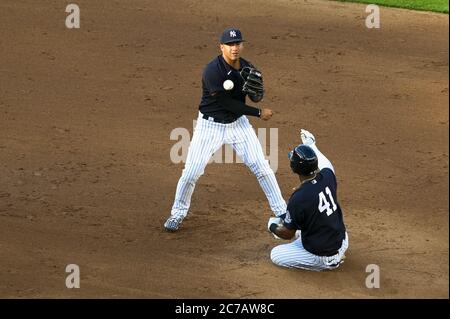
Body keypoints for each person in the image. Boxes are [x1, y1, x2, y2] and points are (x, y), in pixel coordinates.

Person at [164, 28, 287, 231]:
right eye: (230, 44)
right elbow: (225, 103)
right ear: (222, 47)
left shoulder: (247, 68)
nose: (234, 48)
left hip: (237, 125)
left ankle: (282, 212)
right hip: (209, 126)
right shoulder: (212, 70)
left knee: (262, 168)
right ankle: (177, 214)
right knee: (191, 173)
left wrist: (257, 94)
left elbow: (256, 95)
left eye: (238, 43)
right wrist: (258, 112)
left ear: (242, 45)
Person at [267, 129, 348, 271]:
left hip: (322, 255)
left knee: (276, 255)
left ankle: (328, 263)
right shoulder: (327, 176)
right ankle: (334, 255)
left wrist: (272, 227)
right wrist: (312, 145)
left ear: (294, 169)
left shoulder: (299, 198)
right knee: (306, 225)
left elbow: (287, 233)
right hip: (342, 241)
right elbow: (327, 164)